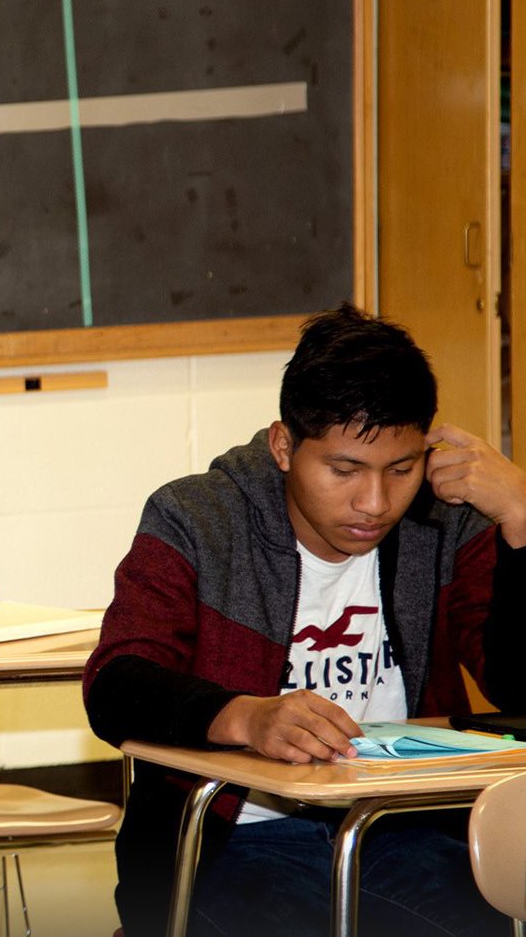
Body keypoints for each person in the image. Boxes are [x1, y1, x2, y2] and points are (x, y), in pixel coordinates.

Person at [83, 304, 526, 937]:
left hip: (400, 826)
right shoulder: (198, 519)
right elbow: (116, 684)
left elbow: (516, 686)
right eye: (344, 471)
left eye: (400, 470)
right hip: (233, 841)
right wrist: (246, 716)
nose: (374, 503)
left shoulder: (446, 521)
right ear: (283, 445)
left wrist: (521, 522)